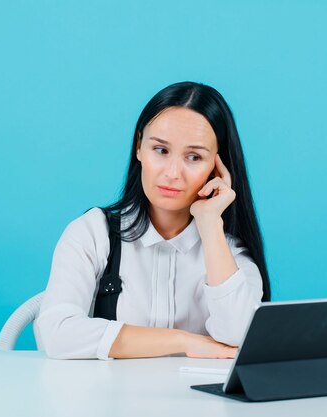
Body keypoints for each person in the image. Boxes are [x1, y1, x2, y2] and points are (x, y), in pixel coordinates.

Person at [34, 81, 271, 360]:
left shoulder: (229, 253)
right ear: (139, 147)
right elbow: (56, 334)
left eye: (194, 157)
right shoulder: (93, 233)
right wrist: (184, 341)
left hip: (198, 404)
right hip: (108, 401)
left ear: (217, 167)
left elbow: (241, 338)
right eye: (160, 150)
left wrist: (210, 225)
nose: (172, 173)